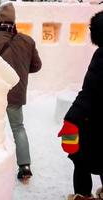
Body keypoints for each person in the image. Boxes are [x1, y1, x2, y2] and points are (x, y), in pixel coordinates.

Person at [0, 2, 42, 181]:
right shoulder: (27, 41)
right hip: (16, 92)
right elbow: (37, 66)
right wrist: (20, 68)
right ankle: (25, 166)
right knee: (18, 128)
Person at [58, 11, 103, 200]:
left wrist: (71, 118)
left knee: (81, 160)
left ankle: (83, 195)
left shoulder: (102, 56)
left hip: (95, 123)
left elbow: (90, 92)